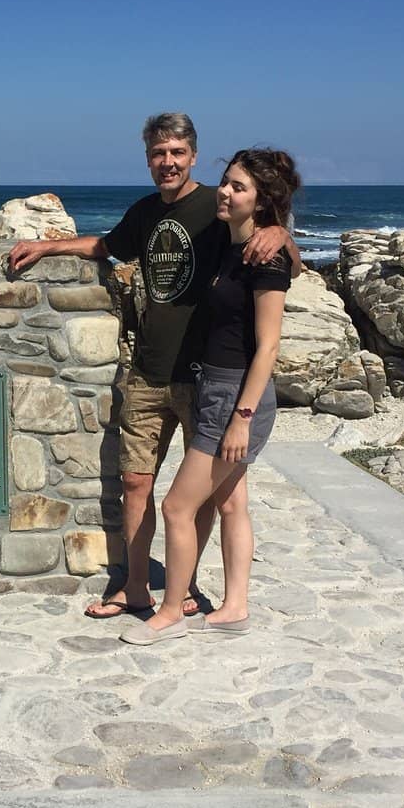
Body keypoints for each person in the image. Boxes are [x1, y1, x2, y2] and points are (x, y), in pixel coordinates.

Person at [8, 112, 299, 625]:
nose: (168, 162)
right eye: (158, 153)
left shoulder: (219, 203)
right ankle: (137, 588)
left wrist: (280, 232)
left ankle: (186, 590)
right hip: (147, 372)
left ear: (192, 154)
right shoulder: (144, 212)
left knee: (207, 498)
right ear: (148, 159)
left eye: (177, 153)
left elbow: (270, 241)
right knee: (138, 484)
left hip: (204, 376)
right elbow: (107, 247)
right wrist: (49, 245)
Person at [122, 149, 301, 644]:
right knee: (230, 502)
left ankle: (171, 613)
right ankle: (236, 606)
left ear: (262, 200)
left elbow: (268, 346)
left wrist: (242, 416)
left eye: (238, 187)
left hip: (234, 397)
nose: (224, 191)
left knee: (178, 508)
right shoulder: (232, 241)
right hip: (214, 387)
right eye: (226, 182)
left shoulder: (267, 258)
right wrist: (279, 230)